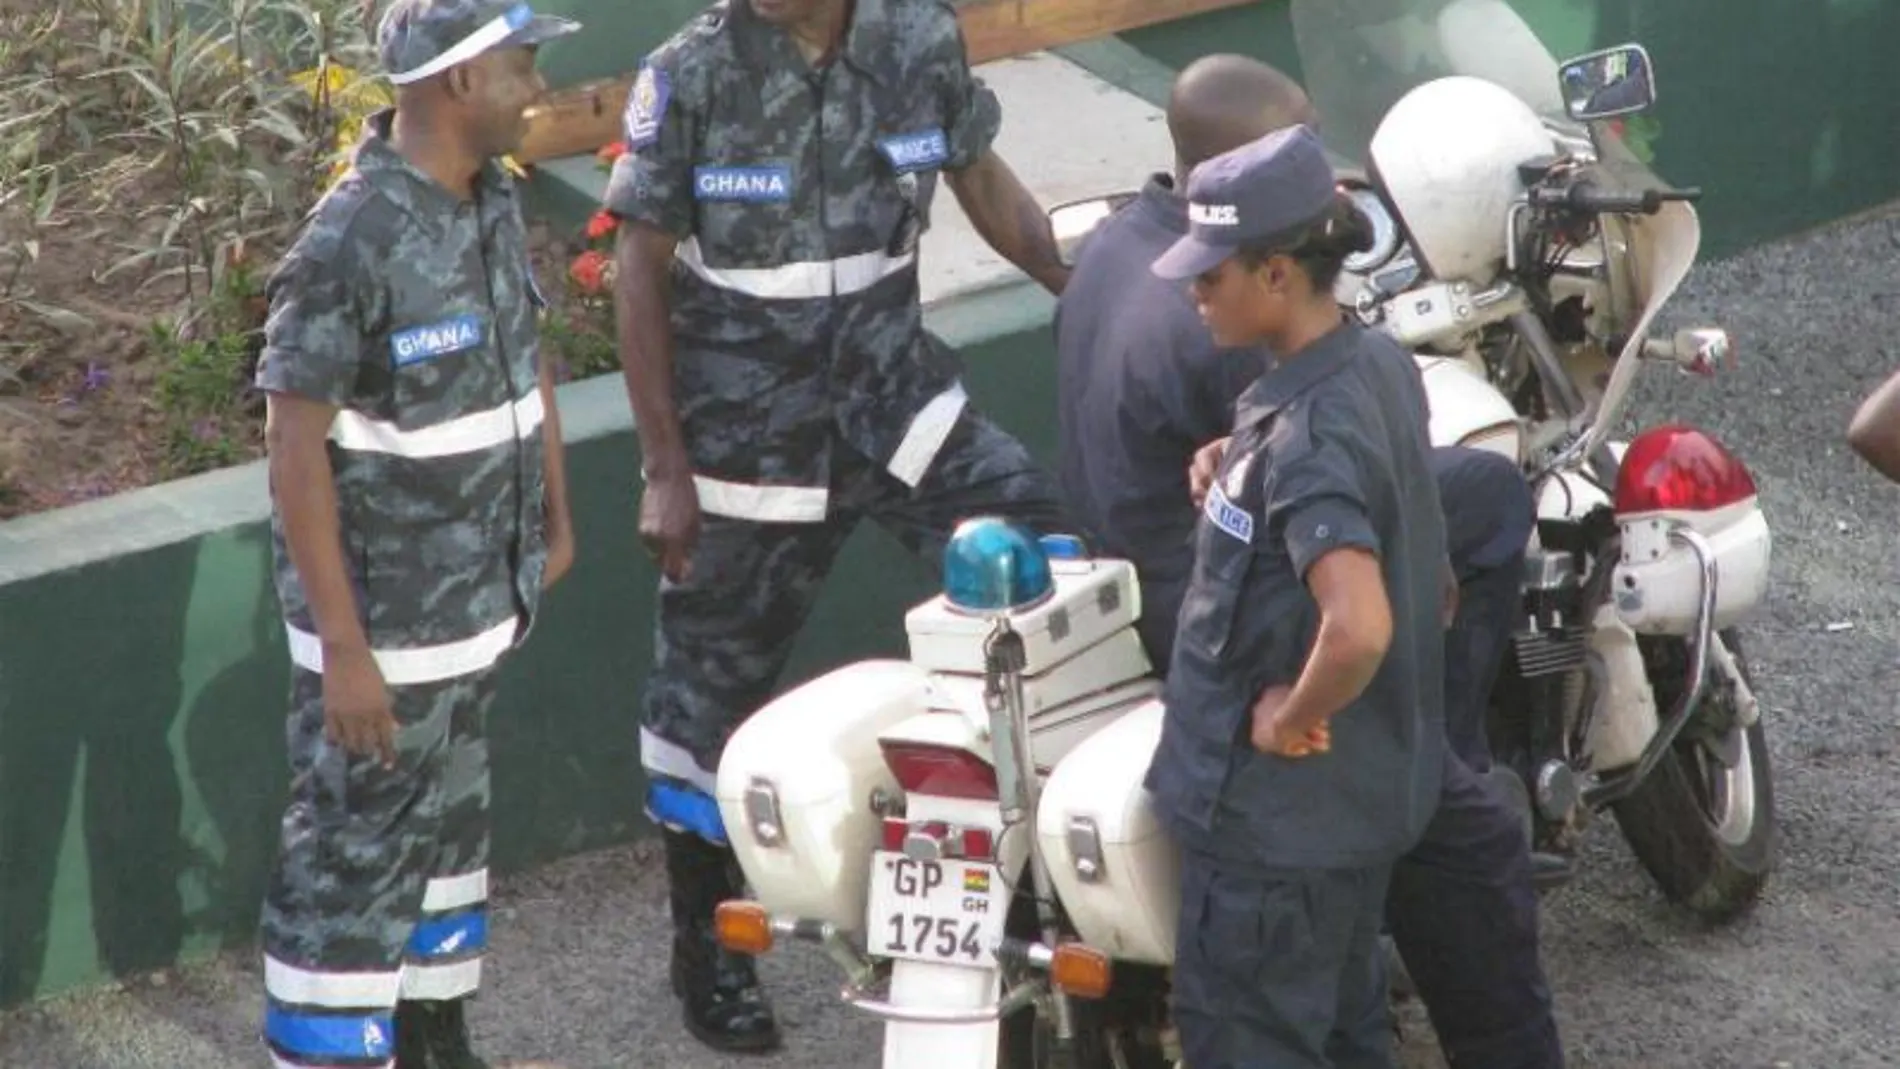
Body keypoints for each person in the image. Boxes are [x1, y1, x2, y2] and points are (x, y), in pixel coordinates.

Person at [1060, 54, 1564, 1069]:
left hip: (1272, 808)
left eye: (1211, 274)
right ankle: (1444, 740)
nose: (1196, 291)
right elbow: (1369, 611)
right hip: (1295, 790)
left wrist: (1293, 712)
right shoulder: (1349, 368)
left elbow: (1354, 612)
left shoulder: (1129, 253)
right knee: (1450, 877)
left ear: (1275, 272)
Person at [599, 0, 1073, 1052]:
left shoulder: (918, 38)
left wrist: (1069, 282)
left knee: (1056, 563)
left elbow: (979, 172)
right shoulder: (693, 71)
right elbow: (637, 265)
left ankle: (1064, 890)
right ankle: (709, 944)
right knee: (697, 704)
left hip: (901, 413)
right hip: (745, 449)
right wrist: (663, 466)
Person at [250, 0, 578, 1065]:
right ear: (458, 83)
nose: (536, 85)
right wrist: (344, 651)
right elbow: (292, 448)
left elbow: (526, 364)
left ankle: (436, 1031)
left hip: (479, 607)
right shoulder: (349, 240)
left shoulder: (484, 199)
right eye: (520, 64)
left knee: (446, 836)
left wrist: (553, 521)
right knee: (349, 862)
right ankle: (323, 1046)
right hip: (383, 635)